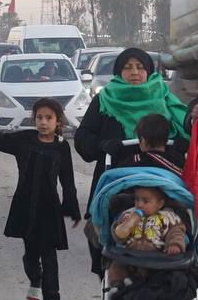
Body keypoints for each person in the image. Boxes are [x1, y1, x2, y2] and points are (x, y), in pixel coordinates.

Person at [74, 47, 189, 274]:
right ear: (119, 72)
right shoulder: (104, 100)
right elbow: (83, 138)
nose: (134, 72)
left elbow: (186, 131)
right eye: (127, 67)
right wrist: (102, 145)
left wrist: (180, 144)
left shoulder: (164, 97)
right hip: (118, 181)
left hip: (162, 182)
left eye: (140, 67)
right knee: (100, 232)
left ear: (149, 71)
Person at [0, 98, 82, 300]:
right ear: (34, 119)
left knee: (49, 253)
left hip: (50, 207)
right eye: (39, 117)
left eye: (48, 118)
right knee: (31, 254)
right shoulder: (24, 140)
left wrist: (71, 206)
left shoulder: (62, 146)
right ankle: (35, 280)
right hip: (25, 205)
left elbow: (67, 180)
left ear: (58, 121)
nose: (43, 122)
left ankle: (52, 299)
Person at [107, 185, 187, 285]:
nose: (139, 204)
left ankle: (158, 287)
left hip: (157, 258)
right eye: (137, 199)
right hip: (130, 255)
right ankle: (117, 285)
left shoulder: (166, 217)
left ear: (160, 204)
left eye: (145, 201)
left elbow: (176, 232)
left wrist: (174, 244)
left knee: (168, 274)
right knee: (116, 267)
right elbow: (118, 236)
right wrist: (123, 225)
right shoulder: (128, 214)